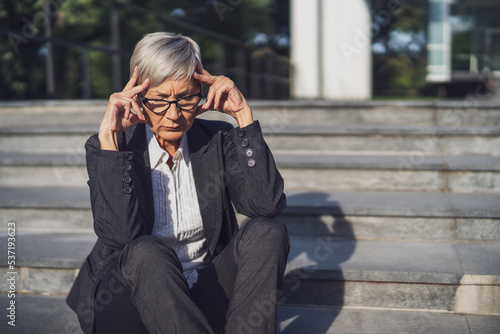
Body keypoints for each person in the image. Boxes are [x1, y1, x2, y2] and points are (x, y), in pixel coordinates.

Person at [66, 32, 290, 334]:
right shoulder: (112, 146)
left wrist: (243, 117)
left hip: (203, 292)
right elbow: (120, 237)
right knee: (147, 250)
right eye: (158, 101)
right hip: (128, 301)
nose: (173, 115)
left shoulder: (216, 139)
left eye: (185, 98)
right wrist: (110, 140)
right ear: (137, 96)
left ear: (201, 90)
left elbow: (266, 204)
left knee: (268, 231)